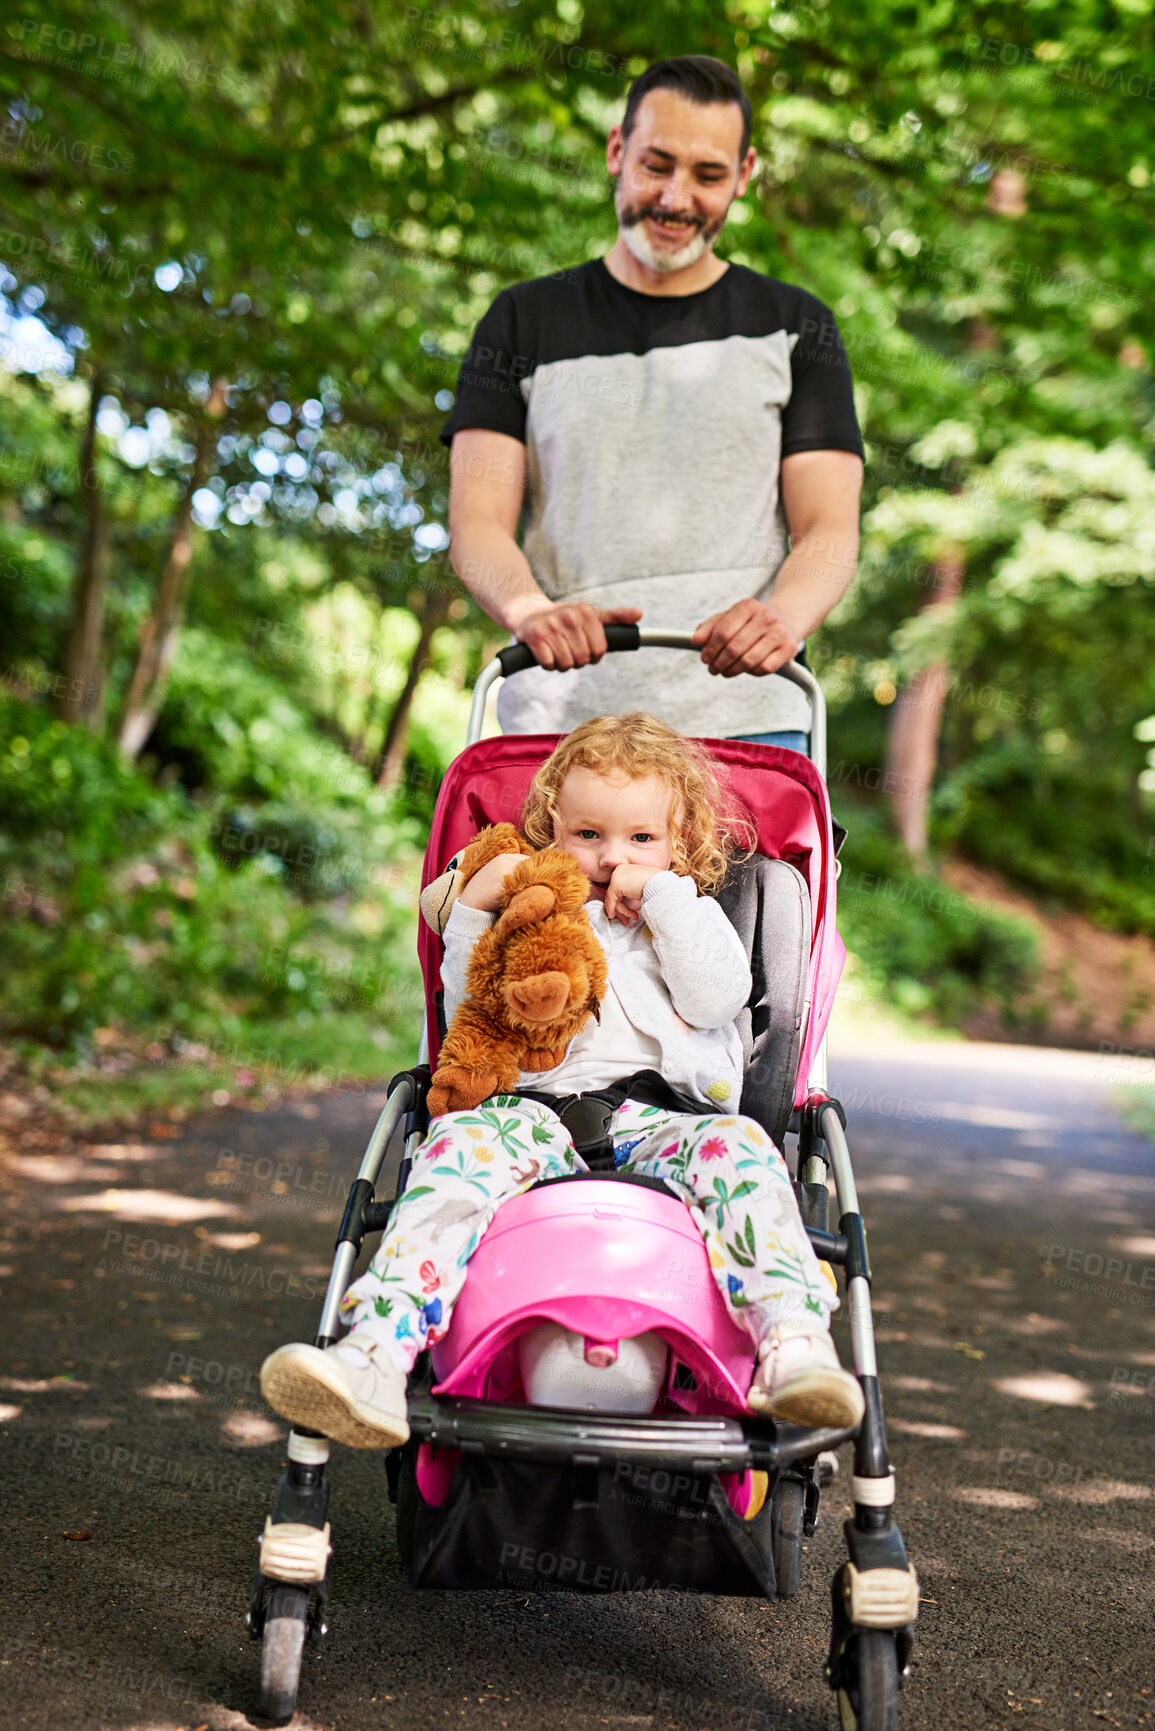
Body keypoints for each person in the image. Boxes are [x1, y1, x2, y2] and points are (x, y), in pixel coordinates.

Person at [260, 715, 864, 1448]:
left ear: (680, 843)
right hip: (530, 1111)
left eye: (641, 838)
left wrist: (663, 897)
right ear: (552, 832)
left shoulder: (689, 911)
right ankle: (376, 1355)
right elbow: (469, 1006)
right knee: (452, 1156)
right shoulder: (534, 915)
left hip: (664, 1117)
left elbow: (714, 999)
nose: (613, 856)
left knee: (741, 1152)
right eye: (588, 835)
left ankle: (792, 1341)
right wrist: (477, 912)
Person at [440, 54, 864, 755]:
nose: (674, 198)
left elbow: (829, 529)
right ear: (616, 151)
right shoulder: (520, 322)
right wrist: (531, 612)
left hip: (748, 729)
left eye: (707, 175)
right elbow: (477, 522)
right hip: (562, 730)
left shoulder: (797, 327)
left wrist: (782, 618)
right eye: (655, 165)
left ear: (744, 174)